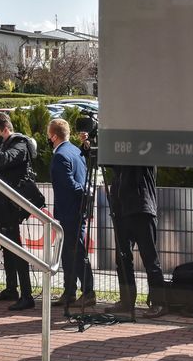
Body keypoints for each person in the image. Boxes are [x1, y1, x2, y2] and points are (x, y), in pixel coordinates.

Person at [0, 112, 37, 311]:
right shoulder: (2, 143)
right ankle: (12, 288)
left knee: (16, 249)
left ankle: (27, 295)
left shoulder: (19, 144)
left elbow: (4, 160)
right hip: (0, 205)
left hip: (11, 206)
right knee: (7, 248)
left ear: (5, 129)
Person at [105, 165, 166, 318]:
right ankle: (126, 301)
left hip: (142, 209)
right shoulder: (119, 154)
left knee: (150, 259)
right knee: (122, 258)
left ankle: (159, 303)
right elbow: (110, 162)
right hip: (121, 210)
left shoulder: (142, 150)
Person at [48, 118, 95, 311]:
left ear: (53, 136)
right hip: (77, 208)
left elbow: (67, 182)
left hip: (70, 210)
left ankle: (87, 291)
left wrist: (83, 191)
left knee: (76, 251)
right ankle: (70, 291)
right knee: (70, 252)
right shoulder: (76, 151)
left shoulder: (60, 156)